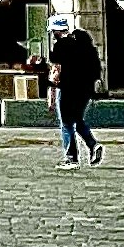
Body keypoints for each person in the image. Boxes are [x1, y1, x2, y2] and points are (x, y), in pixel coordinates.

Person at [48, 13, 103, 166]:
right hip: (85, 89)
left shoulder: (60, 46)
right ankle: (93, 145)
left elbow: (56, 72)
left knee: (66, 123)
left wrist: (51, 93)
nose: (53, 34)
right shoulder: (83, 45)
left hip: (68, 89)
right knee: (76, 119)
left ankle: (71, 158)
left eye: (53, 31)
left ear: (57, 31)